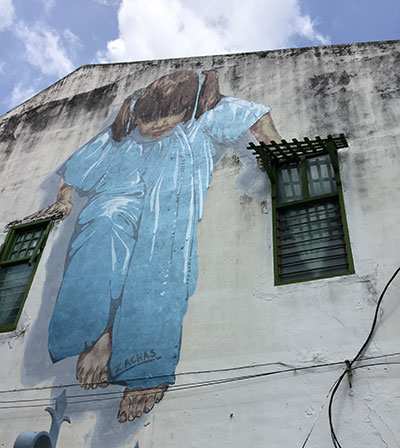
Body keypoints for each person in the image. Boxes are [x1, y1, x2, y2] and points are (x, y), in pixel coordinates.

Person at [32, 69, 281, 423]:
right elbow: (79, 165)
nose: (157, 125)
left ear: (186, 109)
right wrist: (63, 201)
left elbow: (255, 115)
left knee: (160, 258)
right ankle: (97, 336)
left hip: (169, 206)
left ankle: (143, 368)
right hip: (118, 199)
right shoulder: (126, 128)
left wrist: (273, 147)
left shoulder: (204, 116)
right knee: (102, 226)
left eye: (168, 117)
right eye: (149, 120)